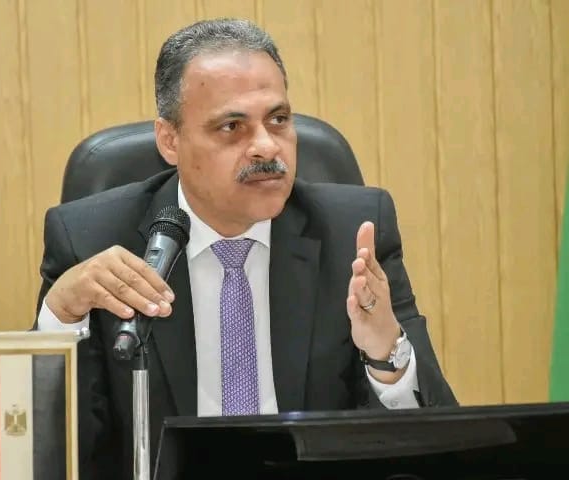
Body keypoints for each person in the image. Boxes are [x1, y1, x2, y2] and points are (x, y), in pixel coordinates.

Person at [35, 17, 457, 480]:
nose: (265, 147)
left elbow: (438, 445)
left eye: (278, 120)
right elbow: (50, 454)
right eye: (232, 126)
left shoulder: (351, 237)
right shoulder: (92, 240)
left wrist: (385, 355)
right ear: (170, 141)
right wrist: (60, 321)